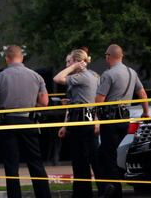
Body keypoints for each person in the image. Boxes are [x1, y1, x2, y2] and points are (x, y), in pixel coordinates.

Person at [0, 45, 52, 198]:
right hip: (29, 121)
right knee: (35, 163)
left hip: (8, 123)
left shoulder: (0, 77)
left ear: (7, 58)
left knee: (11, 166)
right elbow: (45, 102)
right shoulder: (36, 76)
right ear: (22, 58)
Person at [94, 44, 149, 198]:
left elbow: (99, 100)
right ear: (122, 56)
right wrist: (146, 112)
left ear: (108, 56)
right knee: (112, 154)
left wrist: (96, 119)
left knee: (107, 155)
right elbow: (143, 94)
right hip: (125, 119)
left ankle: (112, 190)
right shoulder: (132, 73)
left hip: (110, 120)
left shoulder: (108, 74)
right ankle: (111, 187)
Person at [54, 49, 100, 198]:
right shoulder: (90, 75)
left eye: (69, 61)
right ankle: (97, 190)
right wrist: (65, 125)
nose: (66, 65)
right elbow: (76, 104)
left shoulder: (82, 76)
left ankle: (84, 193)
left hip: (82, 122)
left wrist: (73, 67)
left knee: (81, 161)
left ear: (77, 62)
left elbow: (57, 78)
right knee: (87, 159)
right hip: (80, 120)